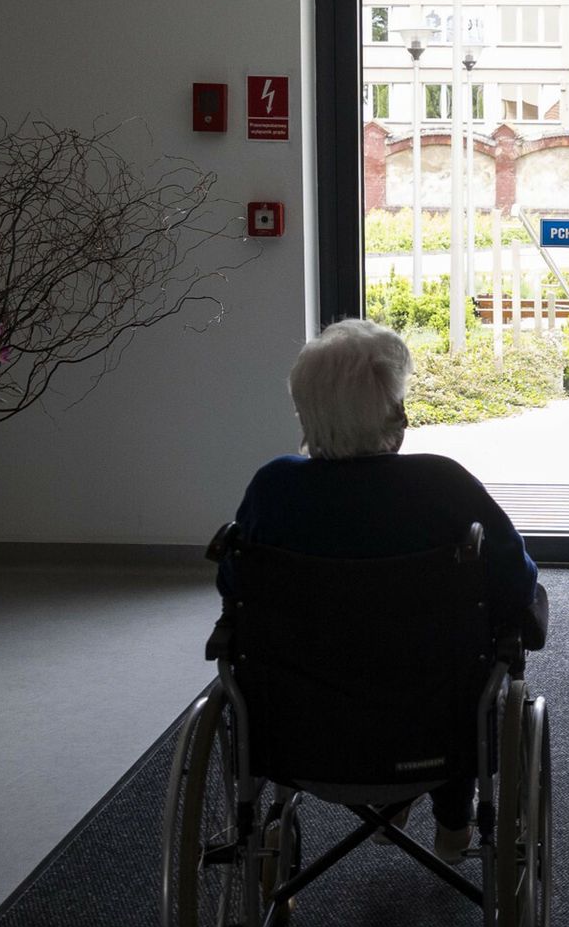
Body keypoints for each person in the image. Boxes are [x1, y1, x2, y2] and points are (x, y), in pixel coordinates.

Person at [222, 318, 548, 863]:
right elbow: (516, 581)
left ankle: (362, 809)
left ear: (308, 412)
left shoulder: (272, 488)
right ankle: (452, 818)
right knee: (461, 658)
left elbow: (233, 589)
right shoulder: (442, 485)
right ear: (392, 413)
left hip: (300, 735)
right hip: (431, 735)